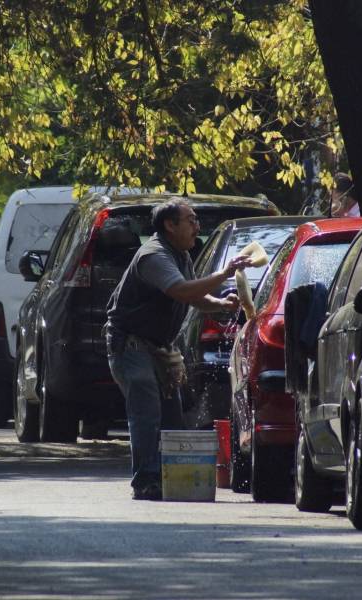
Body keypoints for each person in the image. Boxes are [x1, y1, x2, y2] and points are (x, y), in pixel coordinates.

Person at [104, 198, 250, 500]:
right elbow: (180, 290)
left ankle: (171, 479)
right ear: (170, 225)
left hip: (159, 348)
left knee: (172, 418)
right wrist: (224, 274)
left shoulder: (180, 254)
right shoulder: (154, 255)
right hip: (130, 345)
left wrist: (220, 304)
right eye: (191, 220)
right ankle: (145, 481)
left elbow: (192, 295)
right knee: (146, 411)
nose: (197, 226)